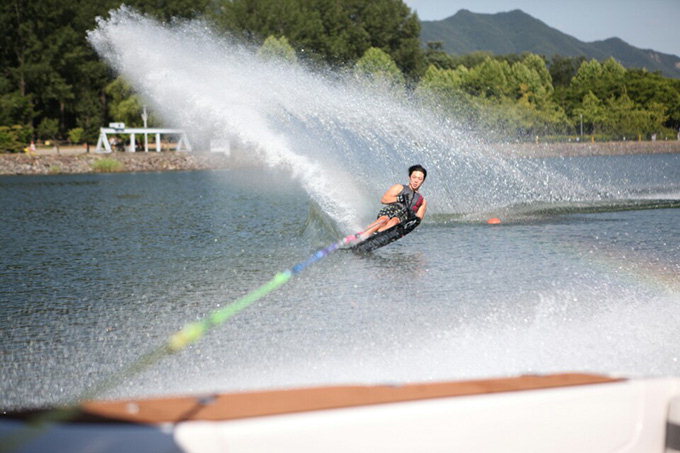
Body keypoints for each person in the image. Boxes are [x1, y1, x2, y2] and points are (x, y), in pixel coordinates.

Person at [362, 164, 428, 236]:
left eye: (419, 179)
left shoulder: (422, 201)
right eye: (414, 177)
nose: (416, 181)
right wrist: (399, 198)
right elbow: (384, 200)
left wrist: (408, 227)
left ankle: (376, 235)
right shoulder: (399, 187)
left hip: (403, 218)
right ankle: (363, 234)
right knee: (383, 220)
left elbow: (417, 220)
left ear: (423, 181)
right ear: (410, 177)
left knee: (394, 222)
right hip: (392, 209)